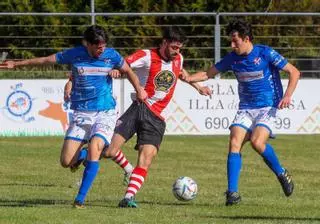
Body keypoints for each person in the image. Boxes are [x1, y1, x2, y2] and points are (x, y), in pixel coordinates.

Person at [2, 25, 147, 208]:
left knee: (96, 146)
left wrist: (139, 89)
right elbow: (47, 60)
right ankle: (84, 154)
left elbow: (129, 72)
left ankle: (79, 200)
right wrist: (17, 64)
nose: (101, 48)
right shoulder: (75, 54)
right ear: (87, 44)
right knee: (66, 161)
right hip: (81, 113)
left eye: (103, 44)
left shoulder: (112, 55)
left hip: (105, 112)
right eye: (97, 45)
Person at [183, 19, 300, 206]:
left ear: (246, 39)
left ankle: (281, 172)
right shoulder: (232, 58)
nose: (232, 45)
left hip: (267, 107)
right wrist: (189, 78)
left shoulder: (265, 53)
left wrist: (287, 96)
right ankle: (232, 193)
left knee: (257, 142)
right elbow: (207, 73)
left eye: (235, 40)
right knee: (234, 143)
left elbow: (294, 72)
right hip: (245, 108)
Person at [103, 26, 212, 208]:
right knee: (109, 152)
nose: (177, 52)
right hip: (139, 107)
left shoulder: (179, 59)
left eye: (179, 48)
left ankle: (128, 198)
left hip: (157, 118)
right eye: (174, 47)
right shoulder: (147, 55)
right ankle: (91, 155)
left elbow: (182, 75)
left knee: (146, 158)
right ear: (164, 43)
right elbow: (124, 63)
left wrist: (199, 87)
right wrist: (117, 70)